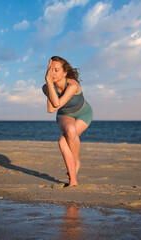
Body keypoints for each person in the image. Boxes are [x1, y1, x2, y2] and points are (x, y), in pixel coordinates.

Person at [42, 56, 93, 187]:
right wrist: (49, 84)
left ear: (65, 72)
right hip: (65, 115)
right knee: (69, 131)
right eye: (50, 70)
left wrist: (49, 83)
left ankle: (75, 162)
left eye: (56, 70)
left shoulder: (72, 85)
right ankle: (73, 181)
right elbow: (51, 109)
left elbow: (57, 103)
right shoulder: (46, 87)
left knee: (63, 141)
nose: (52, 73)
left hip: (84, 113)